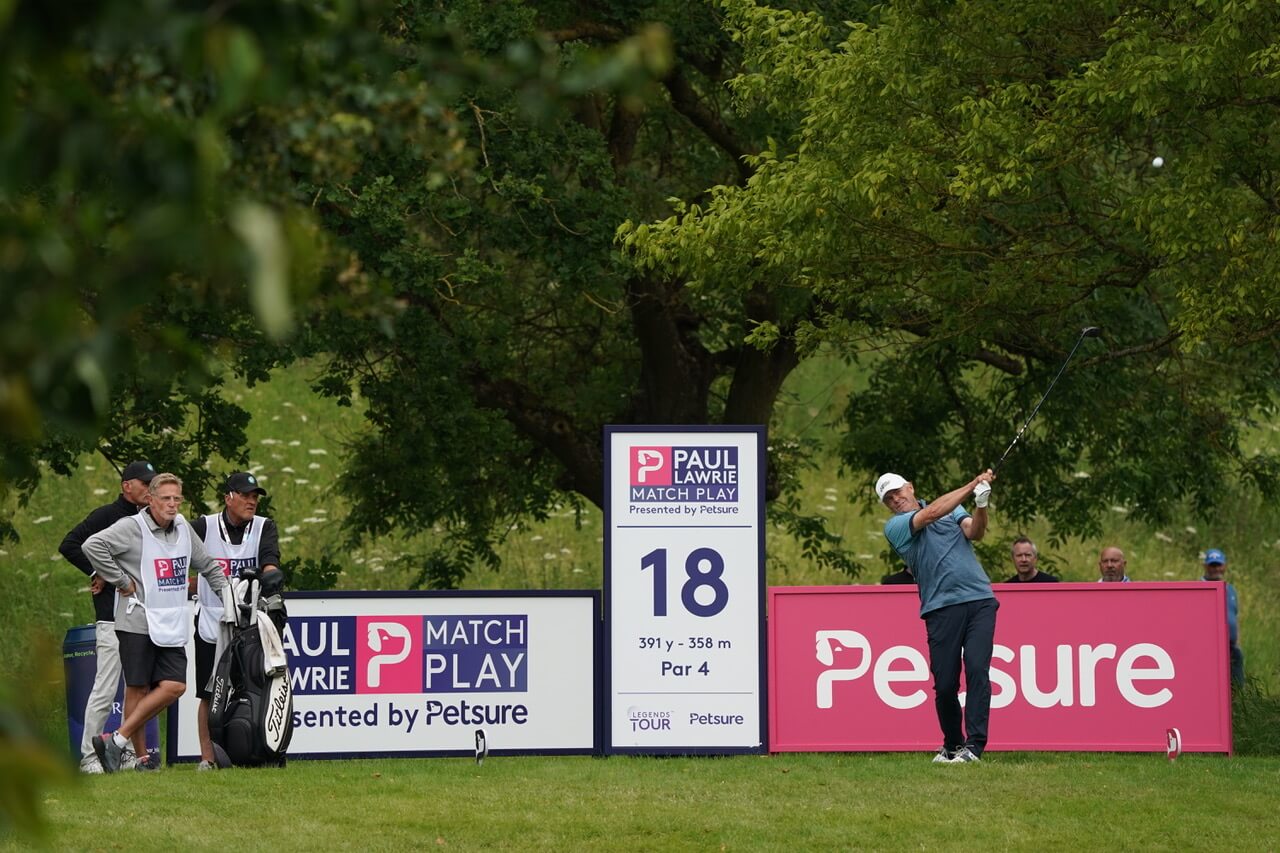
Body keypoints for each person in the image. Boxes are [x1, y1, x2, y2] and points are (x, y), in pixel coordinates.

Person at [82, 472, 230, 773]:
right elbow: (92, 546)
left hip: (171, 622)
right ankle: (141, 759)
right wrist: (121, 580)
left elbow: (208, 566)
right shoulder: (131, 527)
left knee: (175, 686)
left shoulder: (183, 529)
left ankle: (116, 740)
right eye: (166, 498)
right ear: (150, 500)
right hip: (137, 620)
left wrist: (229, 598)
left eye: (177, 499)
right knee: (137, 689)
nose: (172, 504)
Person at [876, 469, 998, 764]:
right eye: (889, 499)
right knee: (945, 685)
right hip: (940, 608)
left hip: (979, 599)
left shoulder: (953, 508)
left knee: (977, 669)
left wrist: (981, 504)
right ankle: (953, 745)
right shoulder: (896, 527)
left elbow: (975, 532)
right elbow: (930, 513)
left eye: (898, 492)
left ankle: (974, 746)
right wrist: (973, 484)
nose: (895, 500)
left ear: (910, 487)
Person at [58, 459, 156, 774]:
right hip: (112, 615)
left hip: (142, 617)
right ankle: (88, 756)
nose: (150, 489)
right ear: (127, 486)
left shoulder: (150, 519)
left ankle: (121, 751)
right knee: (106, 686)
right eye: (145, 483)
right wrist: (96, 570)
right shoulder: (105, 516)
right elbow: (69, 544)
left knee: (136, 687)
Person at [190, 471, 283, 771]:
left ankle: (257, 751)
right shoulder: (204, 526)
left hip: (250, 622)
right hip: (211, 618)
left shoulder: (264, 527)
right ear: (228, 497)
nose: (251, 501)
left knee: (255, 687)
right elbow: (173, 551)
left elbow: (269, 562)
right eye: (245, 495)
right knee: (209, 693)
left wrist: (272, 580)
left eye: (255, 496)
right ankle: (208, 757)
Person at [1201, 548, 1244, 687]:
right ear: (1205, 566)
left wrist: (1238, 642)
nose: (1216, 569)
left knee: (1237, 686)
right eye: (1212, 565)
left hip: (1232, 647)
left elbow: (1235, 616)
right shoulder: (1199, 588)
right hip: (1211, 647)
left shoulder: (1230, 589)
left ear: (1224, 566)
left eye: (1218, 565)